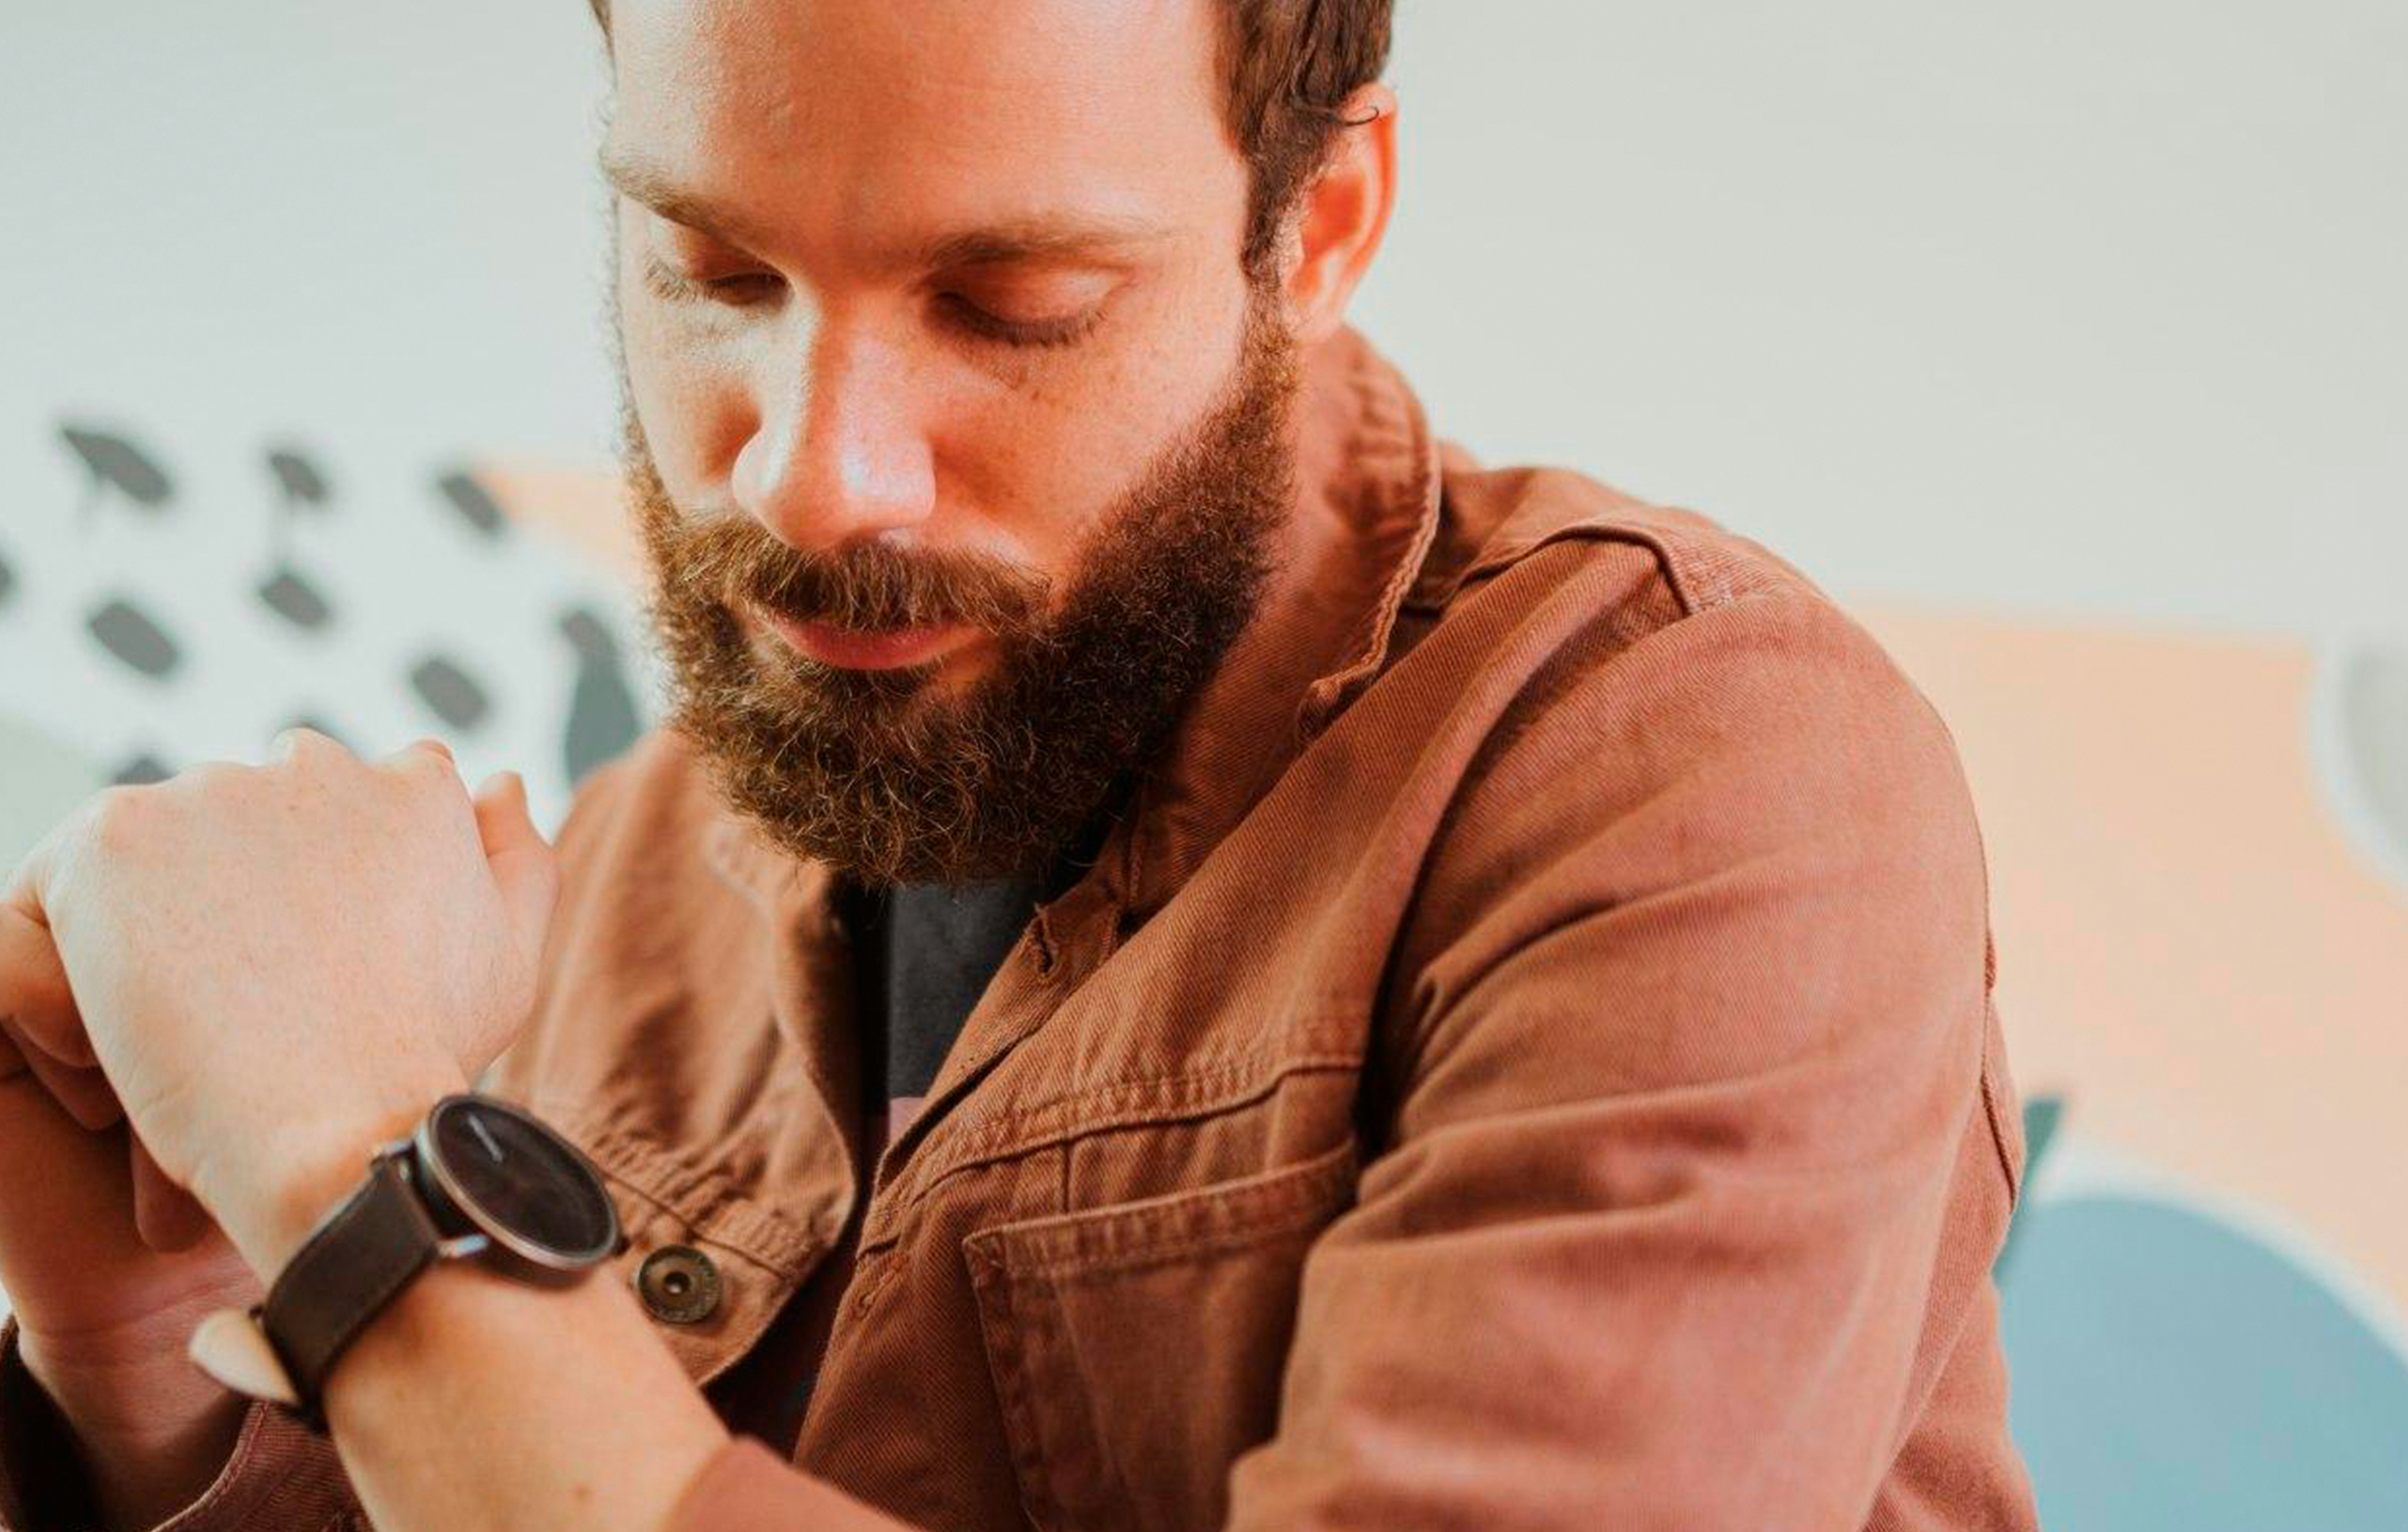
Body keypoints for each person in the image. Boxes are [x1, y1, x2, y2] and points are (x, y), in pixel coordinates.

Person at [0, 1, 2040, 1528]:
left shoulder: (1697, 770)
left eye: (1008, 304)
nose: (810, 471)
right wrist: (137, 1373)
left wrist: (369, 1171)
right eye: (715, 275)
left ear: (1316, 224)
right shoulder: (649, 848)